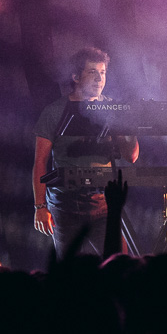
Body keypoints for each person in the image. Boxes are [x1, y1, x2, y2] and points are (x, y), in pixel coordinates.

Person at [32, 47, 139, 258]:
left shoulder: (113, 109)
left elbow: (132, 156)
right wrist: (40, 206)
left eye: (103, 72)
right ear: (76, 77)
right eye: (92, 72)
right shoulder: (54, 111)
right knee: (68, 271)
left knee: (119, 264)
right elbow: (40, 162)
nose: (99, 79)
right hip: (64, 205)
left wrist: (130, 127)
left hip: (103, 203)